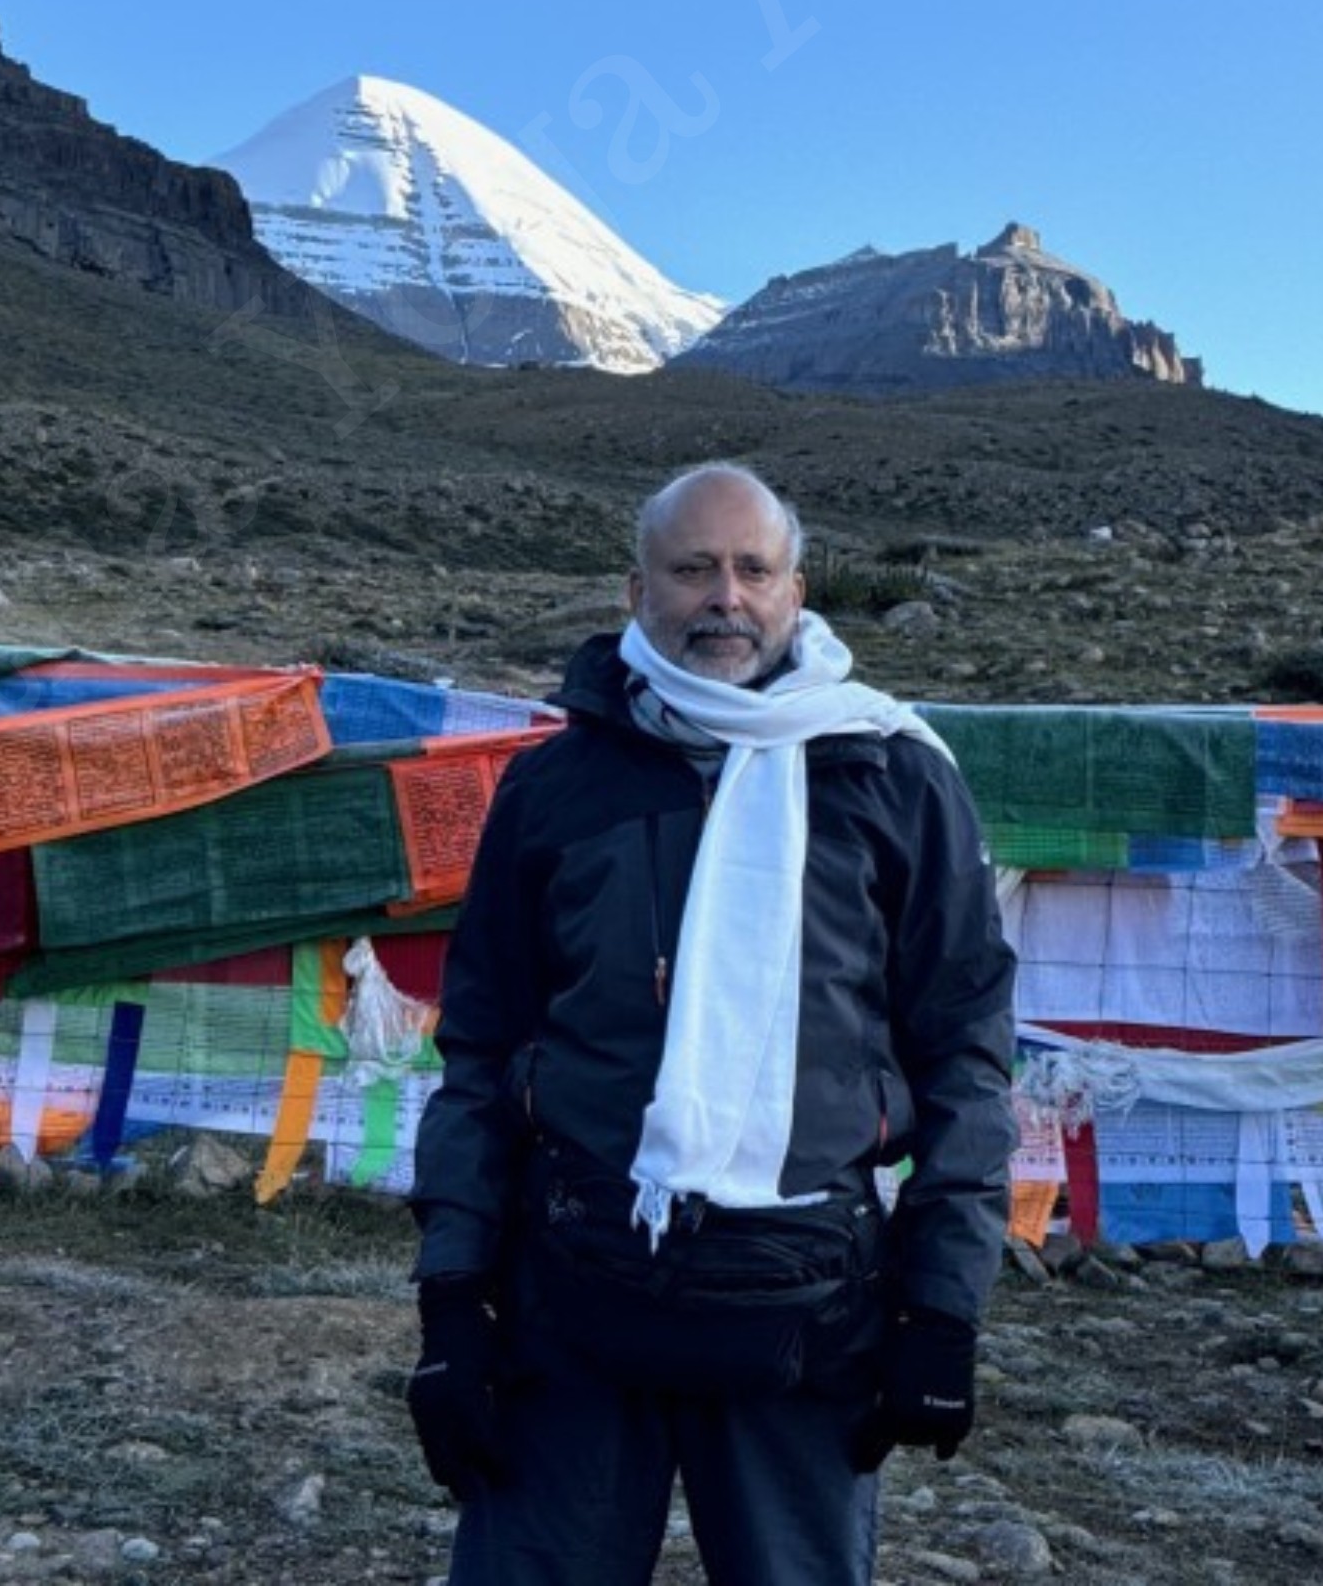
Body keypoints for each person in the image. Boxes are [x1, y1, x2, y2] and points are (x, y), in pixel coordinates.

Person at [407, 461, 1017, 1585]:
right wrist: (452, 1298)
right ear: (636, 590)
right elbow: (482, 1049)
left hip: (808, 1307)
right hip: (573, 1291)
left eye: (752, 569)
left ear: (796, 590)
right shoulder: (556, 787)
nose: (724, 598)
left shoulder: (892, 778)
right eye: (692, 569)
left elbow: (965, 1052)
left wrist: (941, 1308)